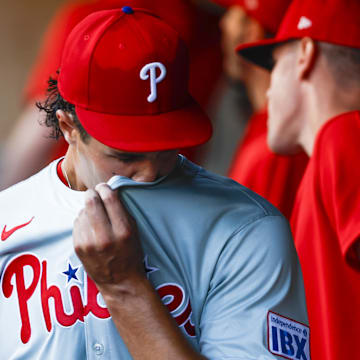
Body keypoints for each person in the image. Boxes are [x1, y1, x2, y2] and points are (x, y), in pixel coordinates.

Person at [0, 7, 310, 359]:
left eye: (165, 148)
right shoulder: (8, 223)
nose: (149, 173)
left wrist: (125, 288)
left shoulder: (244, 230)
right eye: (126, 155)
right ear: (69, 127)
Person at [237, 0, 360, 358]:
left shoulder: (345, 135)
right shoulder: (325, 155)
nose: (269, 88)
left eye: (274, 66)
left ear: (305, 53)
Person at [0, 0, 222, 190]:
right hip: (168, 190)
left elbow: (39, 129)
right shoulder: (212, 28)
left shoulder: (94, 21)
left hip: (90, 190)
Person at [209, 0, 308, 219]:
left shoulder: (274, 151)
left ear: (253, 30)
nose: (223, 23)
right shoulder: (270, 133)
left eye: (232, 14)